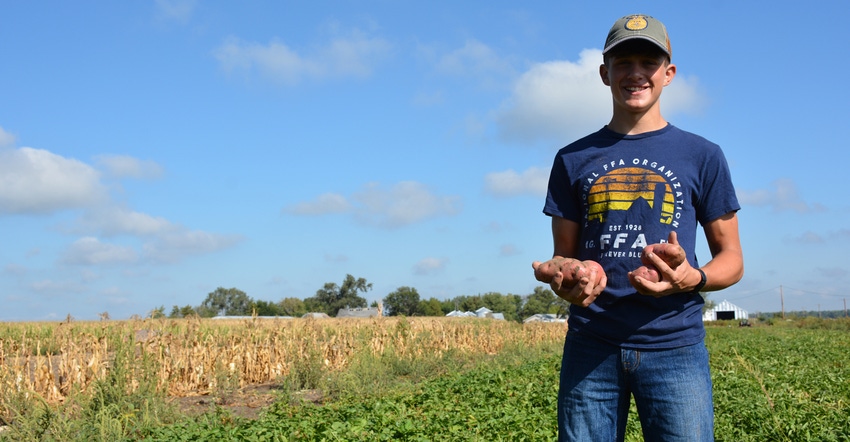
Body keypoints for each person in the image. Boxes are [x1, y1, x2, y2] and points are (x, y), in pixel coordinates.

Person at [532, 14, 743, 441]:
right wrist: (568, 277)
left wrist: (690, 278)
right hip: (591, 344)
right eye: (622, 61)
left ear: (668, 73)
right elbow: (564, 254)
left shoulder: (702, 155)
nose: (635, 73)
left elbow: (733, 259)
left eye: (648, 62)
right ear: (604, 73)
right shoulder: (572, 159)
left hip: (675, 346)